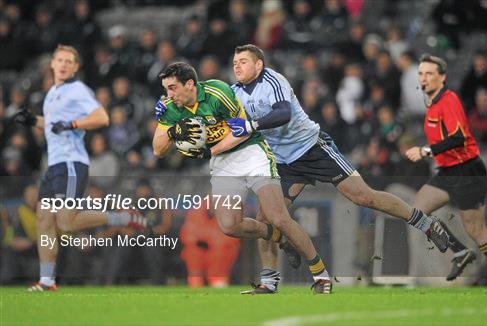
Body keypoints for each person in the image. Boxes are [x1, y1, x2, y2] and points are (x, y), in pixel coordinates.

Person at [225, 44, 450, 294]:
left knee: (364, 196)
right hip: (283, 162)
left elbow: (283, 113)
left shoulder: (273, 80)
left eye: (243, 61)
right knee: (265, 218)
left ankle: (425, 223)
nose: (237, 66)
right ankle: (269, 282)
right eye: (235, 62)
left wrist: (250, 125)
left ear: (259, 65)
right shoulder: (233, 93)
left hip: (313, 149)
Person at [152, 62, 332, 293]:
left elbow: (243, 129)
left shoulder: (218, 92)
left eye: (173, 87)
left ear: (190, 84)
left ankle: (320, 275)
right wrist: (172, 131)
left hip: (250, 151)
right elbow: (158, 149)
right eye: (166, 89)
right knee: (229, 226)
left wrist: (210, 150)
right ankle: (283, 240)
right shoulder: (170, 107)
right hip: (224, 164)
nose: (169, 94)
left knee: (277, 216)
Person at [13, 45, 147, 292]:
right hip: (53, 164)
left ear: (75, 67)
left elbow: (101, 118)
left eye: (69, 61)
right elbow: (54, 125)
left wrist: (73, 123)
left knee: (66, 223)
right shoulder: (53, 93)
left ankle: (125, 217)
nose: (63, 64)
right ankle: (46, 281)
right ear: (52, 64)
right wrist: (34, 121)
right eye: (60, 60)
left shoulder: (77, 90)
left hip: (71, 163)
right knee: (44, 220)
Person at [405, 53, 487, 291]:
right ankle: (460, 251)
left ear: (442, 77)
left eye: (429, 74)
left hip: (467, 171)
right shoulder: (433, 104)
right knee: (417, 211)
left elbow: (458, 138)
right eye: (421, 73)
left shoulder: (449, 100)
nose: (424, 78)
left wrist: (425, 150)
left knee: (476, 229)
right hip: (448, 171)